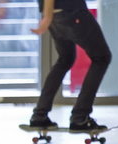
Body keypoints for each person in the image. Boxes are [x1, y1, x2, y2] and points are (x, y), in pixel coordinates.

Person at [29, 0, 112, 131]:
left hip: (57, 15)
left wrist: (48, 14)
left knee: (65, 59)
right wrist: (47, 16)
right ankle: (80, 117)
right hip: (71, 10)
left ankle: (39, 115)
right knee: (102, 57)